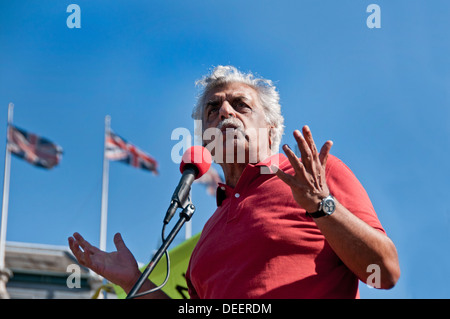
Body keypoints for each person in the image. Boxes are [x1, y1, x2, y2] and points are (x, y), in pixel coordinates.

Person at [68, 65, 400, 299]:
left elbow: (383, 272)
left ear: (271, 129)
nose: (225, 112)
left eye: (240, 105)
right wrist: (134, 283)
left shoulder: (313, 176)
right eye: (213, 109)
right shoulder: (206, 237)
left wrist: (322, 206)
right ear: (206, 138)